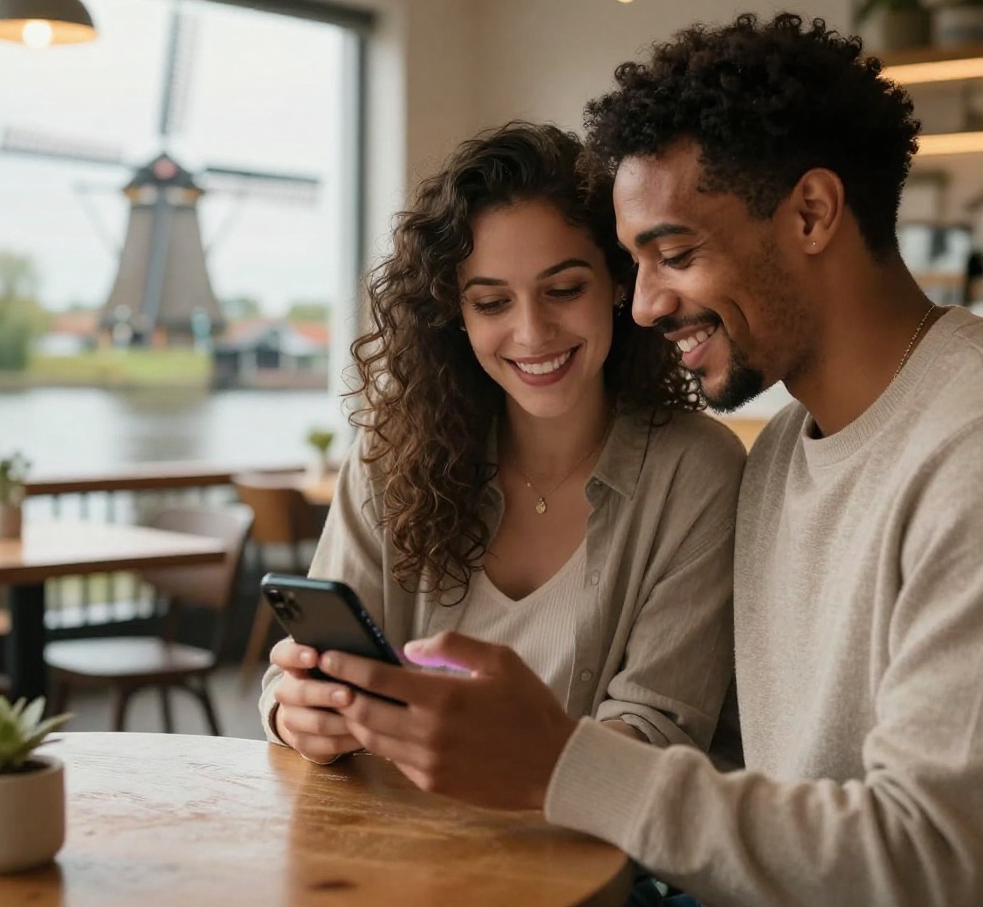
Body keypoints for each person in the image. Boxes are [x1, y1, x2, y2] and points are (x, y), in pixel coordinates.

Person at [309, 15, 983, 907]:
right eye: (635, 264)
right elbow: (761, 786)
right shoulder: (781, 452)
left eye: (674, 254)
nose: (646, 305)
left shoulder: (964, 445)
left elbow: (937, 860)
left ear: (813, 213)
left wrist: (557, 759)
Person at [260, 122, 745, 770]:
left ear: (619, 281)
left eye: (564, 289)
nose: (532, 331)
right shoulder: (390, 457)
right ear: (455, 314)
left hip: (586, 865)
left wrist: (513, 761)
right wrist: (293, 713)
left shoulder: (698, 471)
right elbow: (302, 677)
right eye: (491, 302)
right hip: (396, 853)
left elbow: (657, 732)